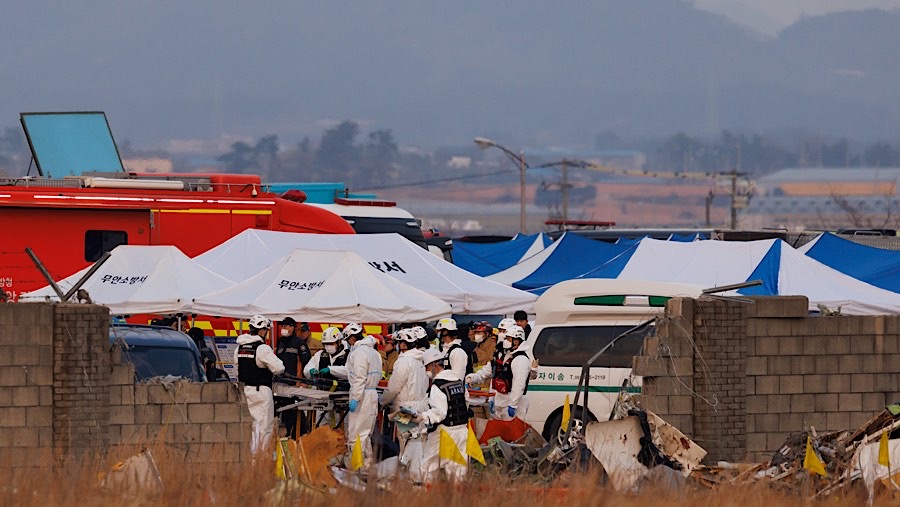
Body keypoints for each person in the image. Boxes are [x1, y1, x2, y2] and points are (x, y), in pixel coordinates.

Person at [380, 329, 429, 478]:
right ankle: (420, 475)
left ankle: (409, 479)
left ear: (401, 344)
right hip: (421, 405)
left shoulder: (403, 362)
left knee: (406, 443)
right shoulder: (420, 359)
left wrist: (382, 401)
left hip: (405, 409)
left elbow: (394, 387)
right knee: (419, 443)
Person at [234, 314, 285, 455]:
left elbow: (237, 369)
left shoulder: (239, 348)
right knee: (264, 427)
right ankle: (260, 461)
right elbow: (279, 368)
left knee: (253, 427)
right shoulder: (262, 348)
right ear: (262, 331)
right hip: (261, 391)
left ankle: (253, 459)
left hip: (246, 391)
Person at [418, 348, 469, 483]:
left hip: (444, 432)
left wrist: (422, 417)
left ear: (435, 365)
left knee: (429, 466)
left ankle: (425, 497)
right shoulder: (457, 380)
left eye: (427, 366)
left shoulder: (437, 386)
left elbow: (439, 413)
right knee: (458, 470)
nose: (427, 371)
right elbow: (466, 401)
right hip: (462, 430)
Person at [465, 324, 531, 421]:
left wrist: (513, 404)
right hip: (499, 401)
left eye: (508, 339)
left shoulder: (520, 359)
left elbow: (519, 384)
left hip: (512, 404)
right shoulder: (502, 355)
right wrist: (470, 379)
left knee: (513, 434)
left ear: (517, 341)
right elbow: (488, 372)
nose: (505, 342)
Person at [343, 322, 383, 471]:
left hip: (362, 395)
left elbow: (359, 377)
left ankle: (357, 468)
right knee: (366, 434)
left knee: (356, 435)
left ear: (352, 338)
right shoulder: (374, 353)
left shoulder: (358, 353)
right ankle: (367, 467)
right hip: (372, 394)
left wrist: (355, 397)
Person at [274, 317, 312, 438]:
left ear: (292, 328)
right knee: (286, 413)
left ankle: (302, 437)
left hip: (295, 384)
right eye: (282, 326)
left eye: (286, 326)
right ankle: (292, 436)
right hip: (282, 385)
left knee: (297, 413)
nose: (283, 329)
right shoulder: (280, 343)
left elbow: (306, 363)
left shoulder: (299, 344)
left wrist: (303, 382)